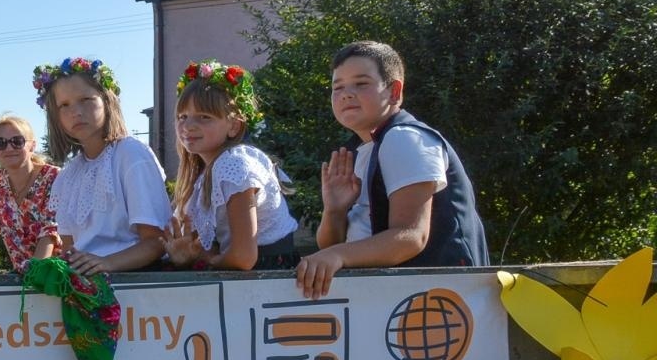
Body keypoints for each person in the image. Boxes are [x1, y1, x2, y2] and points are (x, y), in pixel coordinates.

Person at [295, 41, 488, 299]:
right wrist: (335, 210)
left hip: (440, 302)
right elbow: (331, 248)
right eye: (337, 87)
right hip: (388, 303)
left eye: (361, 83)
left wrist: (335, 255)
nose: (346, 93)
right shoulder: (363, 149)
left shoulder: (404, 138)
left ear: (395, 91)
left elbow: (410, 237)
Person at [37, 57, 170, 275]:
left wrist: (107, 263)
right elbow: (71, 248)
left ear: (107, 101)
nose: (76, 112)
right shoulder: (68, 175)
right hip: (89, 285)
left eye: (86, 99)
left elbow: (156, 242)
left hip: (136, 286)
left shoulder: (131, 154)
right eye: (64, 105)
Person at [163, 60, 299, 271]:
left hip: (267, 274)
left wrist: (203, 260)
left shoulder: (234, 164)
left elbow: (243, 257)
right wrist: (188, 253)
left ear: (234, 126)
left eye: (204, 117)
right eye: (183, 117)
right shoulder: (207, 171)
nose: (188, 126)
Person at [0, 114, 58, 273]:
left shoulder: (54, 177)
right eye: (0, 143)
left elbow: (50, 232)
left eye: (17, 141)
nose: (9, 148)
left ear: (32, 146)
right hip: (23, 279)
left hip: (59, 277)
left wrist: (34, 274)